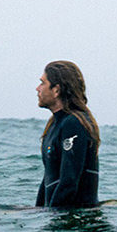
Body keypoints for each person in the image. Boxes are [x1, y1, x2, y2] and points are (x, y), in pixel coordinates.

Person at [34, 60, 101, 209]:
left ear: (56, 90)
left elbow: (69, 181)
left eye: (42, 83)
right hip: (57, 214)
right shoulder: (54, 124)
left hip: (76, 218)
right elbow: (48, 178)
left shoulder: (74, 124)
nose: (37, 88)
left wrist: (54, 214)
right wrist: (38, 212)